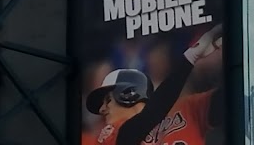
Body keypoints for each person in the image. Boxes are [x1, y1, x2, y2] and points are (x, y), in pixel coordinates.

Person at [85, 24, 223, 145]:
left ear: (128, 95)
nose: (102, 109)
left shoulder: (187, 107)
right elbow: (148, 118)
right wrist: (190, 57)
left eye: (107, 100)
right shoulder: (108, 134)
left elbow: (230, 98)